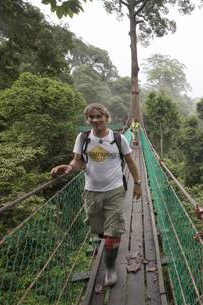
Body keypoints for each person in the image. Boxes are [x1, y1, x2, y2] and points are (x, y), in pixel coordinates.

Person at [50, 103, 142, 287]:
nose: (95, 120)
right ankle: (107, 239)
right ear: (87, 120)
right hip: (91, 191)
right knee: (99, 229)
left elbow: (130, 162)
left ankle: (110, 268)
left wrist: (137, 184)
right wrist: (68, 168)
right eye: (91, 117)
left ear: (107, 118)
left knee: (113, 233)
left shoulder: (119, 138)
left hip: (115, 190)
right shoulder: (83, 137)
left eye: (99, 116)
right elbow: (78, 161)